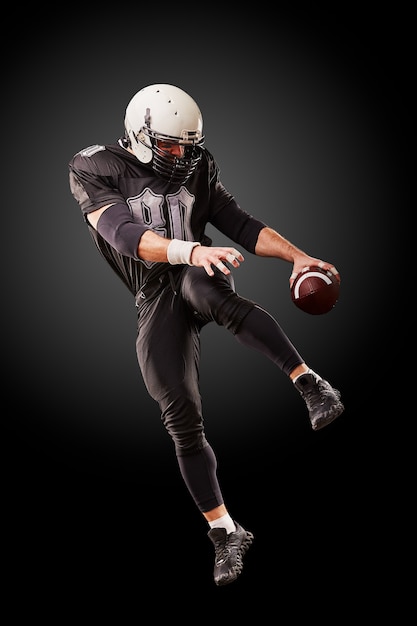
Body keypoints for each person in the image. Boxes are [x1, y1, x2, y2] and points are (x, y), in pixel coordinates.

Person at [68, 83, 344, 587]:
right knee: (177, 412)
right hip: (154, 290)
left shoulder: (199, 163)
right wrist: (189, 251)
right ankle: (226, 532)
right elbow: (124, 235)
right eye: (170, 144)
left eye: (188, 144)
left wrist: (298, 256)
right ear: (139, 134)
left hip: (201, 269)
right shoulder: (94, 166)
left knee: (211, 295)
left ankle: (310, 383)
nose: (181, 154)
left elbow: (237, 222)